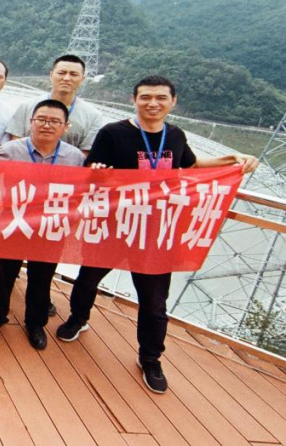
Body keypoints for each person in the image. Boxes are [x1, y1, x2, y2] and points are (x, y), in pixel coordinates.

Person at [56, 75, 258, 394]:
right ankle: (78, 319)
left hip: (156, 231)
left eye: (161, 98)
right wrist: (98, 175)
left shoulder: (175, 136)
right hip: (115, 225)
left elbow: (191, 165)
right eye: (146, 97)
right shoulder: (113, 133)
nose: (153, 103)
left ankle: (150, 358)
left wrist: (233, 160)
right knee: (87, 279)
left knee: (154, 301)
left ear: (173, 102)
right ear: (133, 100)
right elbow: (92, 173)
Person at [0, 99, 84, 350]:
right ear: (31, 122)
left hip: (50, 227)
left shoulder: (75, 157)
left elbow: (83, 192)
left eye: (55, 121)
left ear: (66, 126)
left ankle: (35, 323)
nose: (47, 125)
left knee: (42, 278)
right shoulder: (10, 151)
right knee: (3, 274)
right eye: (42, 120)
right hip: (14, 223)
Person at [6, 54, 104, 154]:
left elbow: (86, 154)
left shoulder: (93, 116)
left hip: (68, 164)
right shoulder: (26, 107)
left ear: (82, 79)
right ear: (51, 75)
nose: (66, 78)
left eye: (73, 74)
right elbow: (15, 144)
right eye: (62, 73)